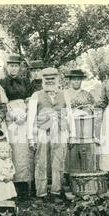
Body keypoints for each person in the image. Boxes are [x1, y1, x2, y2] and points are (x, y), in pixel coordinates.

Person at [27, 67, 75, 201]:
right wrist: (31, 137)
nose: (49, 81)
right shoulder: (36, 95)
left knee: (58, 162)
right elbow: (31, 117)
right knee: (41, 162)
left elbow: (70, 114)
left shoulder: (64, 95)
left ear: (57, 79)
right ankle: (41, 193)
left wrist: (72, 135)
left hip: (60, 131)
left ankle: (56, 191)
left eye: (52, 79)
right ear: (42, 80)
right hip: (42, 131)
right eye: (46, 79)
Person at [0, 54, 34, 198]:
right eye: (11, 66)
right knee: (11, 149)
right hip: (10, 118)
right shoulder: (1, 83)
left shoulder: (25, 82)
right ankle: (10, 188)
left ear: (19, 68)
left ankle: (24, 186)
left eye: (16, 66)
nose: (13, 68)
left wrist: (25, 111)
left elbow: (30, 100)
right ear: (7, 67)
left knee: (24, 152)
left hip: (24, 117)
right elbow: (2, 102)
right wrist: (12, 114)